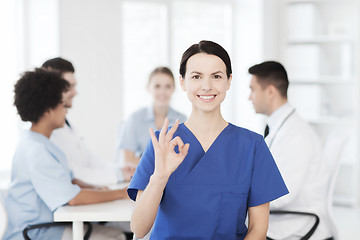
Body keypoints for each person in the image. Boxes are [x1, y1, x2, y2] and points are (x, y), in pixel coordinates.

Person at [127, 40, 289, 239]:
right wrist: (160, 177)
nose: (206, 86)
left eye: (216, 76)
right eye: (196, 76)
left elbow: (258, 229)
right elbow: (139, 228)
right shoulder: (162, 143)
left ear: (228, 81)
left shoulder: (252, 146)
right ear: (183, 82)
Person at [4, 68, 126, 240]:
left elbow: (71, 181)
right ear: (47, 110)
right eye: (62, 104)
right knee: (116, 237)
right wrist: (122, 193)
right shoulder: (37, 151)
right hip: (37, 232)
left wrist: (97, 188)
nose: (67, 109)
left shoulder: (40, 142)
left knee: (118, 234)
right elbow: (73, 198)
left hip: (48, 225)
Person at [248, 61, 332, 239]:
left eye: (253, 90)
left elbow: (282, 194)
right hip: (286, 219)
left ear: (270, 92)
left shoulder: (294, 134)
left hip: (295, 226)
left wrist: (242, 193)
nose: (250, 97)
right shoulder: (282, 127)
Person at [42, 57, 135, 185]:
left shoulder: (66, 124)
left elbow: (88, 159)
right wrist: (119, 175)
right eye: (69, 86)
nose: (75, 92)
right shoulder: (48, 130)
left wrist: (118, 168)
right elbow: (73, 174)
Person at [117, 67, 187, 167]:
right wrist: (161, 167)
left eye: (167, 86)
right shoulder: (135, 119)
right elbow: (128, 159)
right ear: (148, 87)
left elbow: (184, 157)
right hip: (143, 178)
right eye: (157, 86)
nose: (162, 92)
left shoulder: (182, 119)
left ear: (174, 88)